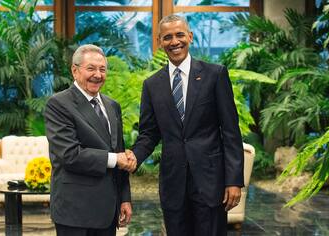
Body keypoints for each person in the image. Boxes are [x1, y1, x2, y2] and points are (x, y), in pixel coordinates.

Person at [127, 15, 244, 235]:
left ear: (189, 37)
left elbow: (230, 132)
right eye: (168, 37)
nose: (175, 41)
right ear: (160, 41)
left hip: (210, 183)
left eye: (180, 35)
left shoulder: (215, 74)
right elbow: (149, 134)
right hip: (173, 185)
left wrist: (234, 181)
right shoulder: (151, 85)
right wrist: (134, 156)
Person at [44, 44, 136, 236]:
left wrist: (124, 198)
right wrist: (114, 159)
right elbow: (69, 155)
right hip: (75, 211)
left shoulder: (112, 106)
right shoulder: (59, 104)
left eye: (102, 69)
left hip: (108, 211)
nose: (98, 74)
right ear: (75, 71)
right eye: (91, 68)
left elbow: (119, 150)